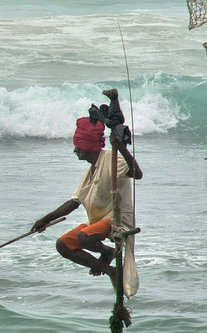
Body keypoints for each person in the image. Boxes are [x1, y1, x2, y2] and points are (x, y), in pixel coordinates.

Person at [31, 88, 143, 295]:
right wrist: (44, 220)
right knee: (63, 245)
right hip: (97, 224)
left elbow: (137, 174)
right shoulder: (91, 170)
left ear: (89, 147)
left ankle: (106, 254)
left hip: (116, 221)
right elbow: (74, 202)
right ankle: (109, 269)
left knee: (84, 238)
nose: (75, 151)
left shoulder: (112, 159)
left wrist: (124, 149)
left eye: (78, 146)